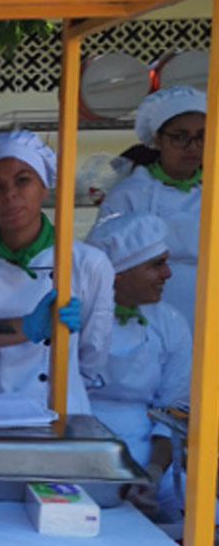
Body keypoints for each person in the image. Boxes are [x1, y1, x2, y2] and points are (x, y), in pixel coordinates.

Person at [0, 130, 112, 414]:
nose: (10, 195)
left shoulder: (87, 263)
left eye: (23, 180)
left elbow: (93, 356)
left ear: (45, 186)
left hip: (58, 410)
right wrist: (28, 327)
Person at [84, 212, 191, 519]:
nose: (168, 273)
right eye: (155, 264)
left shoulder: (170, 322)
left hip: (151, 458)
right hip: (82, 456)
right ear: (118, 274)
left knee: (208, 518)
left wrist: (153, 474)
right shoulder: (77, 320)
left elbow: (175, 410)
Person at [94, 85, 206, 332]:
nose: (193, 146)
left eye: (202, 136)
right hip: (146, 321)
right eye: (180, 136)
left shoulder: (213, 192)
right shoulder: (129, 195)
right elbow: (102, 265)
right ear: (158, 139)